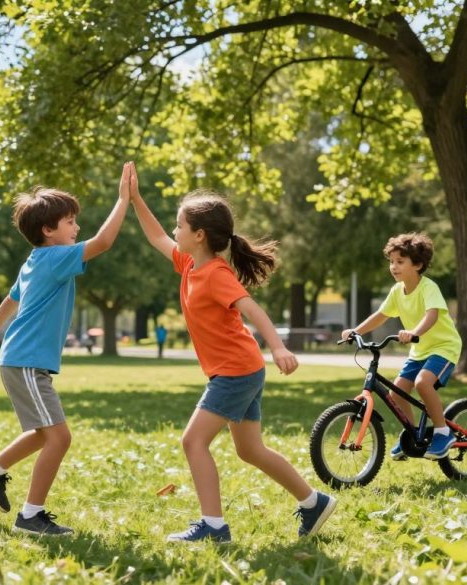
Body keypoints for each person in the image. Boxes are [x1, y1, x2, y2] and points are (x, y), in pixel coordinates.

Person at [130, 175, 336, 543]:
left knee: (193, 442)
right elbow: (155, 236)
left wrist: (279, 347)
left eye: (180, 225)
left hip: (236, 372)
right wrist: (134, 198)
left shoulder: (215, 274)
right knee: (250, 450)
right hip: (241, 370)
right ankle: (313, 503)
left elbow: (250, 308)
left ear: (199, 235)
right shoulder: (189, 265)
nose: (174, 230)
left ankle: (213, 526)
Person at [0, 162, 134, 537]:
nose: (77, 229)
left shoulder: (34, 261)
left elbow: (11, 299)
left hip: (21, 360)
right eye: (71, 222)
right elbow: (104, 243)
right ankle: (31, 516)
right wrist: (123, 200)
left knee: (44, 434)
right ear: (48, 230)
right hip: (25, 361)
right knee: (59, 437)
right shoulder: (55, 257)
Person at [341, 232, 461, 461]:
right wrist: (356, 331)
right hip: (419, 351)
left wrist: (414, 332)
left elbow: (432, 315)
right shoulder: (397, 291)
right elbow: (381, 315)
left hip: (444, 347)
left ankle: (443, 432)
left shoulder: (428, 288)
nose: (393, 267)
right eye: (391, 262)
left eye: (400, 262)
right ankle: (413, 434)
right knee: (397, 394)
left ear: (417, 264)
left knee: (423, 383)